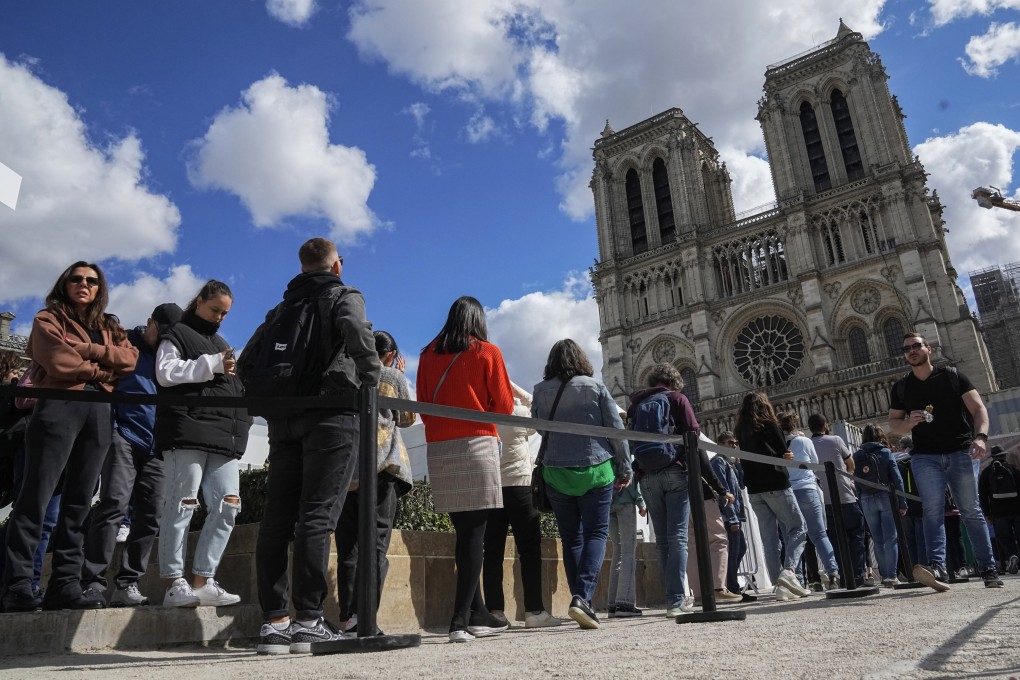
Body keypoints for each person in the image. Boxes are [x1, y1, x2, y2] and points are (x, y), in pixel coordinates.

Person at [243, 238, 380, 654]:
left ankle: (274, 623)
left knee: (277, 519)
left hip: (285, 421)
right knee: (318, 516)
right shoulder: (344, 294)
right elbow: (357, 333)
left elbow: (249, 360)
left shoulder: (281, 308)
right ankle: (308, 620)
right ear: (337, 265)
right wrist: (371, 378)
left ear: (302, 266)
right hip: (331, 415)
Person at [1, 262, 138, 612]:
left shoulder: (109, 325)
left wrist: (89, 352)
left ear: (99, 288)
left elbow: (130, 359)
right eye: (76, 278)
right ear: (65, 284)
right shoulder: (48, 319)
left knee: (79, 502)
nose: (83, 284)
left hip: (100, 411)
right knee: (35, 497)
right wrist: (103, 370)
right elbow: (58, 363)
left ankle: (64, 583)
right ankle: (17, 585)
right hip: (59, 406)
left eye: (91, 280)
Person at [417, 296, 514, 643]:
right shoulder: (487, 351)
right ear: (478, 319)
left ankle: (479, 612)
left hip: (439, 448)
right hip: (476, 443)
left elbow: (423, 406)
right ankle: (459, 621)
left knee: (465, 534)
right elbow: (503, 407)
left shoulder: (427, 354)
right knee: (476, 537)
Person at [155, 280, 251, 608]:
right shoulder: (177, 332)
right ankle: (172, 584)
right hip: (187, 429)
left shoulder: (219, 340)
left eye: (224, 313)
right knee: (182, 502)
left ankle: (203, 580)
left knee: (229, 504)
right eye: (215, 310)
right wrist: (212, 365)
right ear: (199, 301)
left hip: (222, 435)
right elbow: (165, 373)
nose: (219, 318)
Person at [81, 303, 182, 607]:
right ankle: (92, 582)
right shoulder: (125, 343)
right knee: (113, 503)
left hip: (158, 444)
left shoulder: (174, 351)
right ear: (149, 323)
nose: (163, 340)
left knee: (151, 514)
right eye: (160, 333)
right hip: (123, 433)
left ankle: (128, 583)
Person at [888, 331, 1003, 589]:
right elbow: (894, 425)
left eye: (916, 346)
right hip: (925, 456)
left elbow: (978, 408)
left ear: (928, 348)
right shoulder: (902, 387)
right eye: (906, 349)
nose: (912, 351)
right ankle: (937, 567)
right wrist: (908, 422)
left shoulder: (952, 376)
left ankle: (988, 567)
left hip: (960, 451)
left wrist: (981, 437)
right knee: (932, 511)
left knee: (970, 510)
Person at [533, 339, 631, 630]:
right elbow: (616, 429)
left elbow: (539, 427)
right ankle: (582, 599)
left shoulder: (540, 390)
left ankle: (581, 600)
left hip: (556, 471)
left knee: (571, 538)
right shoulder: (595, 386)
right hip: (595, 469)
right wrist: (624, 466)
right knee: (597, 534)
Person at [627, 363, 730, 616]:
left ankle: (672, 597)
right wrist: (717, 485)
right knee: (679, 538)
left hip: (647, 476)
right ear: (673, 381)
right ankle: (676, 600)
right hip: (675, 472)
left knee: (662, 540)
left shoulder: (636, 405)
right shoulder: (677, 399)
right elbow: (694, 439)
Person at [334, 330, 415, 635]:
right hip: (382, 466)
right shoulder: (391, 375)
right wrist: (399, 377)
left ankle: (348, 617)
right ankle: (366, 616)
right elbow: (407, 419)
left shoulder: (347, 372)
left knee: (348, 547)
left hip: (347, 468)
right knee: (377, 544)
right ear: (391, 354)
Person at [482, 381, 559, 629]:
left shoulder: (486, 412)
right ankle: (534, 611)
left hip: (493, 487)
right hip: (520, 486)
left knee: (492, 551)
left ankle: (495, 611)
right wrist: (513, 387)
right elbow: (535, 407)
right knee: (529, 550)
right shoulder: (519, 413)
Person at [734, 392, 811, 602]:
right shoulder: (769, 424)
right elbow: (782, 452)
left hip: (755, 490)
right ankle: (789, 572)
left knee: (769, 539)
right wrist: (789, 456)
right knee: (798, 527)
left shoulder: (741, 430)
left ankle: (781, 588)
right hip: (775, 483)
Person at [779, 412, 841, 590]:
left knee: (792, 536)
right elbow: (815, 462)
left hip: (788, 492)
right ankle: (833, 573)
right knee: (819, 534)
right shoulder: (805, 441)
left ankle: (796, 579)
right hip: (807, 489)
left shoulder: (778, 444)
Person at [808, 413, 866, 588]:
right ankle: (857, 576)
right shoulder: (836, 440)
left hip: (823, 501)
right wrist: (847, 479)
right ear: (826, 425)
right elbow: (851, 463)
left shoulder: (807, 444)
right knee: (856, 536)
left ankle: (843, 577)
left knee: (835, 540)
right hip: (845, 496)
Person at [853, 425, 906, 587]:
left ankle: (883, 575)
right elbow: (897, 478)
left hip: (867, 499)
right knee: (891, 538)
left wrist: (861, 499)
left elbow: (856, 482)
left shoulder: (857, 455)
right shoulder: (885, 452)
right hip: (885, 496)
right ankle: (891, 575)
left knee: (877, 540)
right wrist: (902, 502)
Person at [715, 431, 754, 601]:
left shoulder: (728, 463)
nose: (734, 446)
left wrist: (738, 464)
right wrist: (731, 518)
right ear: (720, 445)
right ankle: (732, 587)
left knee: (740, 549)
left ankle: (731, 584)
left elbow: (742, 484)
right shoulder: (718, 462)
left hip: (736, 515)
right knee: (733, 551)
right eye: (730, 443)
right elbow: (723, 491)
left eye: (735, 443)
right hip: (729, 516)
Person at [607, 476, 646, 617]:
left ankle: (612, 605)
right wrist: (640, 501)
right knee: (628, 551)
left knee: (617, 552)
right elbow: (628, 474)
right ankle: (625, 604)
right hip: (625, 501)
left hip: (608, 502)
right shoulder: (622, 452)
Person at [978, 445, 1019, 574]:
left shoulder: (986, 473)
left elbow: (983, 495)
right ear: (1004, 455)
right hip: (1017, 510)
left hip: (998, 513)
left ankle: (1011, 556)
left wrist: (987, 513)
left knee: (1004, 538)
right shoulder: (1013, 469)